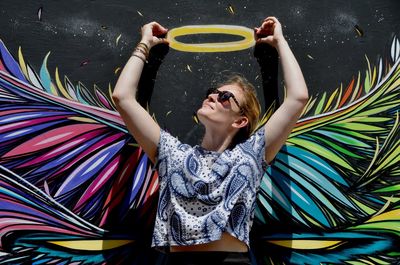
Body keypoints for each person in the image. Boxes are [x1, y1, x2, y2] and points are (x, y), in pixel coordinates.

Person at [112, 17, 308, 265]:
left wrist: (280, 41)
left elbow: (298, 98)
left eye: (225, 97)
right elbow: (123, 97)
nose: (214, 96)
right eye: (212, 93)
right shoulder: (173, 153)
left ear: (240, 121)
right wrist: (144, 44)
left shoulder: (252, 154)